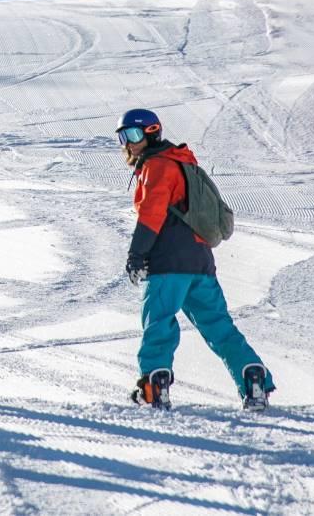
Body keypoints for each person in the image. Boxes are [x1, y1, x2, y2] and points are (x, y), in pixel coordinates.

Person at [118, 109, 274, 409]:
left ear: (152, 133)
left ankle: (153, 387)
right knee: (219, 327)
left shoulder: (157, 165)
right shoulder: (183, 163)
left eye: (134, 135)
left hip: (167, 263)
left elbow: (152, 214)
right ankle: (252, 378)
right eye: (123, 137)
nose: (128, 144)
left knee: (159, 325)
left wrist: (137, 254)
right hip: (200, 263)